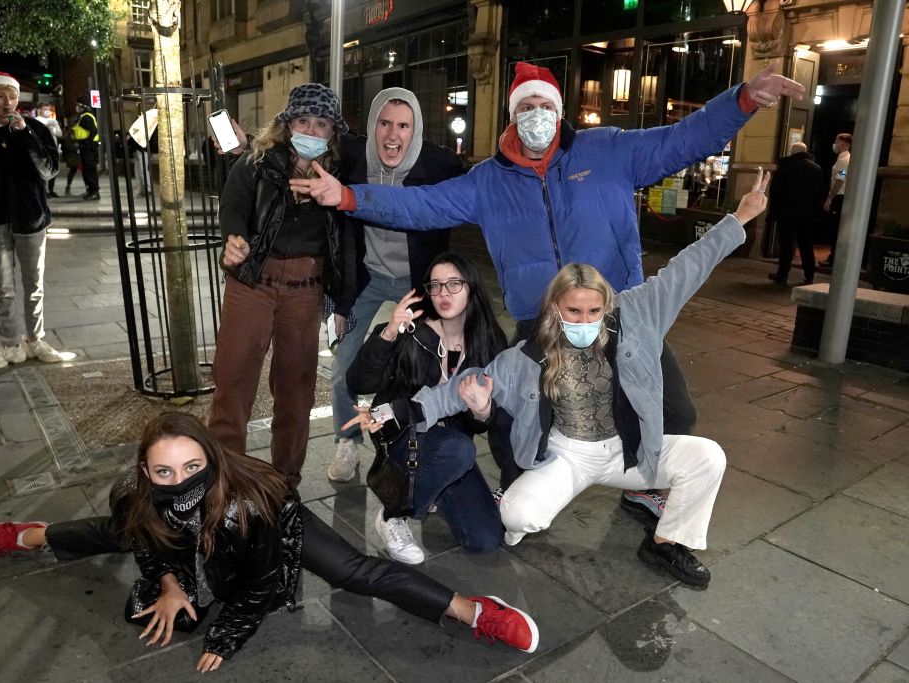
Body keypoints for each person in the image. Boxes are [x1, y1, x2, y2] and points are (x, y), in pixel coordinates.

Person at [294, 61, 804, 518]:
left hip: (616, 313)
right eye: (527, 106)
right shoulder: (488, 181)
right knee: (517, 411)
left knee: (674, 410)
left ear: (559, 112)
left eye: (545, 105)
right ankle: (519, 489)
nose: (537, 114)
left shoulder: (608, 151)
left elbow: (682, 140)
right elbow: (420, 205)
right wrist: (348, 196)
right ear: (514, 116)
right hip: (539, 319)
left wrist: (741, 101)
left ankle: (642, 486)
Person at [348, 171, 772, 589]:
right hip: (568, 457)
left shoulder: (638, 315)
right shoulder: (526, 356)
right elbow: (461, 389)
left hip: (627, 450)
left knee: (707, 457)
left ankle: (666, 542)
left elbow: (688, 268)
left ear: (607, 305)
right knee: (517, 515)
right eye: (574, 311)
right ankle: (507, 511)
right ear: (555, 310)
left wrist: (739, 218)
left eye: (594, 311)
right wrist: (390, 411)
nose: (585, 320)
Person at [0, 413, 539, 672]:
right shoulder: (138, 495)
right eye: (163, 472)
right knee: (121, 531)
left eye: (192, 466)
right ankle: (27, 534)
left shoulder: (251, 499)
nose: (178, 480)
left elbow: (262, 584)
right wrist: (167, 583)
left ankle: (475, 611)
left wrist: (230, 631)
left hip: (270, 530)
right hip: (180, 532)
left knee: (353, 571)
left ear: (210, 460)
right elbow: (146, 543)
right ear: (143, 470)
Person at [208, 83, 354, 489]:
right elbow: (233, 204)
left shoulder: (341, 172)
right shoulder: (258, 161)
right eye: (303, 120)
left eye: (321, 123)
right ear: (287, 124)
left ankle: (284, 481)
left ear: (333, 132)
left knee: (296, 388)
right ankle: (226, 480)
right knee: (233, 380)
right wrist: (234, 237)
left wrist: (343, 301)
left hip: (306, 289)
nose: (311, 129)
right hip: (253, 281)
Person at [326, 87, 468, 482]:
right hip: (366, 280)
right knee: (343, 368)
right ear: (372, 126)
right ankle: (348, 440)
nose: (393, 134)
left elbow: (485, 185)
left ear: (415, 129)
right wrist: (245, 145)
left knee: (423, 368)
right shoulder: (354, 157)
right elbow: (305, 152)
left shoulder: (438, 164)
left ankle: (416, 444)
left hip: (416, 281)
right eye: (385, 123)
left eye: (403, 125)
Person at [346, 252, 507, 564]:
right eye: (435, 286)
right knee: (459, 450)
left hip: (449, 451)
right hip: (401, 435)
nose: (443, 294)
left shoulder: (488, 342)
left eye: (453, 284)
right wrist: (389, 331)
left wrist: (483, 410)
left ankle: (429, 487)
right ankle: (393, 515)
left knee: (485, 539)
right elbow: (359, 381)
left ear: (472, 287)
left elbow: (480, 425)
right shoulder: (413, 332)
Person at [0, 69, 77, 370]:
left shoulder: (35, 128)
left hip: (30, 217)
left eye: (12, 96)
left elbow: (48, 169)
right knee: (3, 287)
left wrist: (26, 135)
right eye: (0, 95)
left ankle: (35, 340)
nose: (8, 102)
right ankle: (10, 346)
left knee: (33, 283)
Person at [767, 142, 824, 285]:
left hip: (786, 213)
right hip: (807, 214)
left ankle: (782, 274)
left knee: (786, 245)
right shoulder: (816, 168)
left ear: (792, 152)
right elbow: (821, 191)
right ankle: (809, 275)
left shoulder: (785, 167)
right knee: (806, 244)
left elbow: (776, 190)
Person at [819, 132, 852, 268]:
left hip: (839, 197)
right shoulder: (843, 159)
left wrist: (830, 198)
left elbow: (840, 180)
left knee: (835, 229)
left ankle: (833, 258)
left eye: (837, 141)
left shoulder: (844, 160)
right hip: (838, 196)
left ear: (843, 144)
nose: (835, 144)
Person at [72, 95, 101, 200]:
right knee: (86, 170)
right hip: (86, 147)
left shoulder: (87, 117)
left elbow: (93, 131)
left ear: (82, 106)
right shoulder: (83, 116)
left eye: (78, 105)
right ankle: (90, 190)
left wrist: (88, 144)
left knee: (90, 170)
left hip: (89, 148)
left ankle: (94, 192)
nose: (76, 107)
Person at [34, 104, 63, 198]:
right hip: (42, 150)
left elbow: (60, 134)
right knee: (43, 170)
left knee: (53, 170)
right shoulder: (37, 120)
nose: (47, 111)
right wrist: (46, 127)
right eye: (45, 109)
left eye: (49, 109)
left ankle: (51, 190)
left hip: (54, 149)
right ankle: (43, 191)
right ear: (40, 110)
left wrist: (54, 128)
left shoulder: (53, 121)